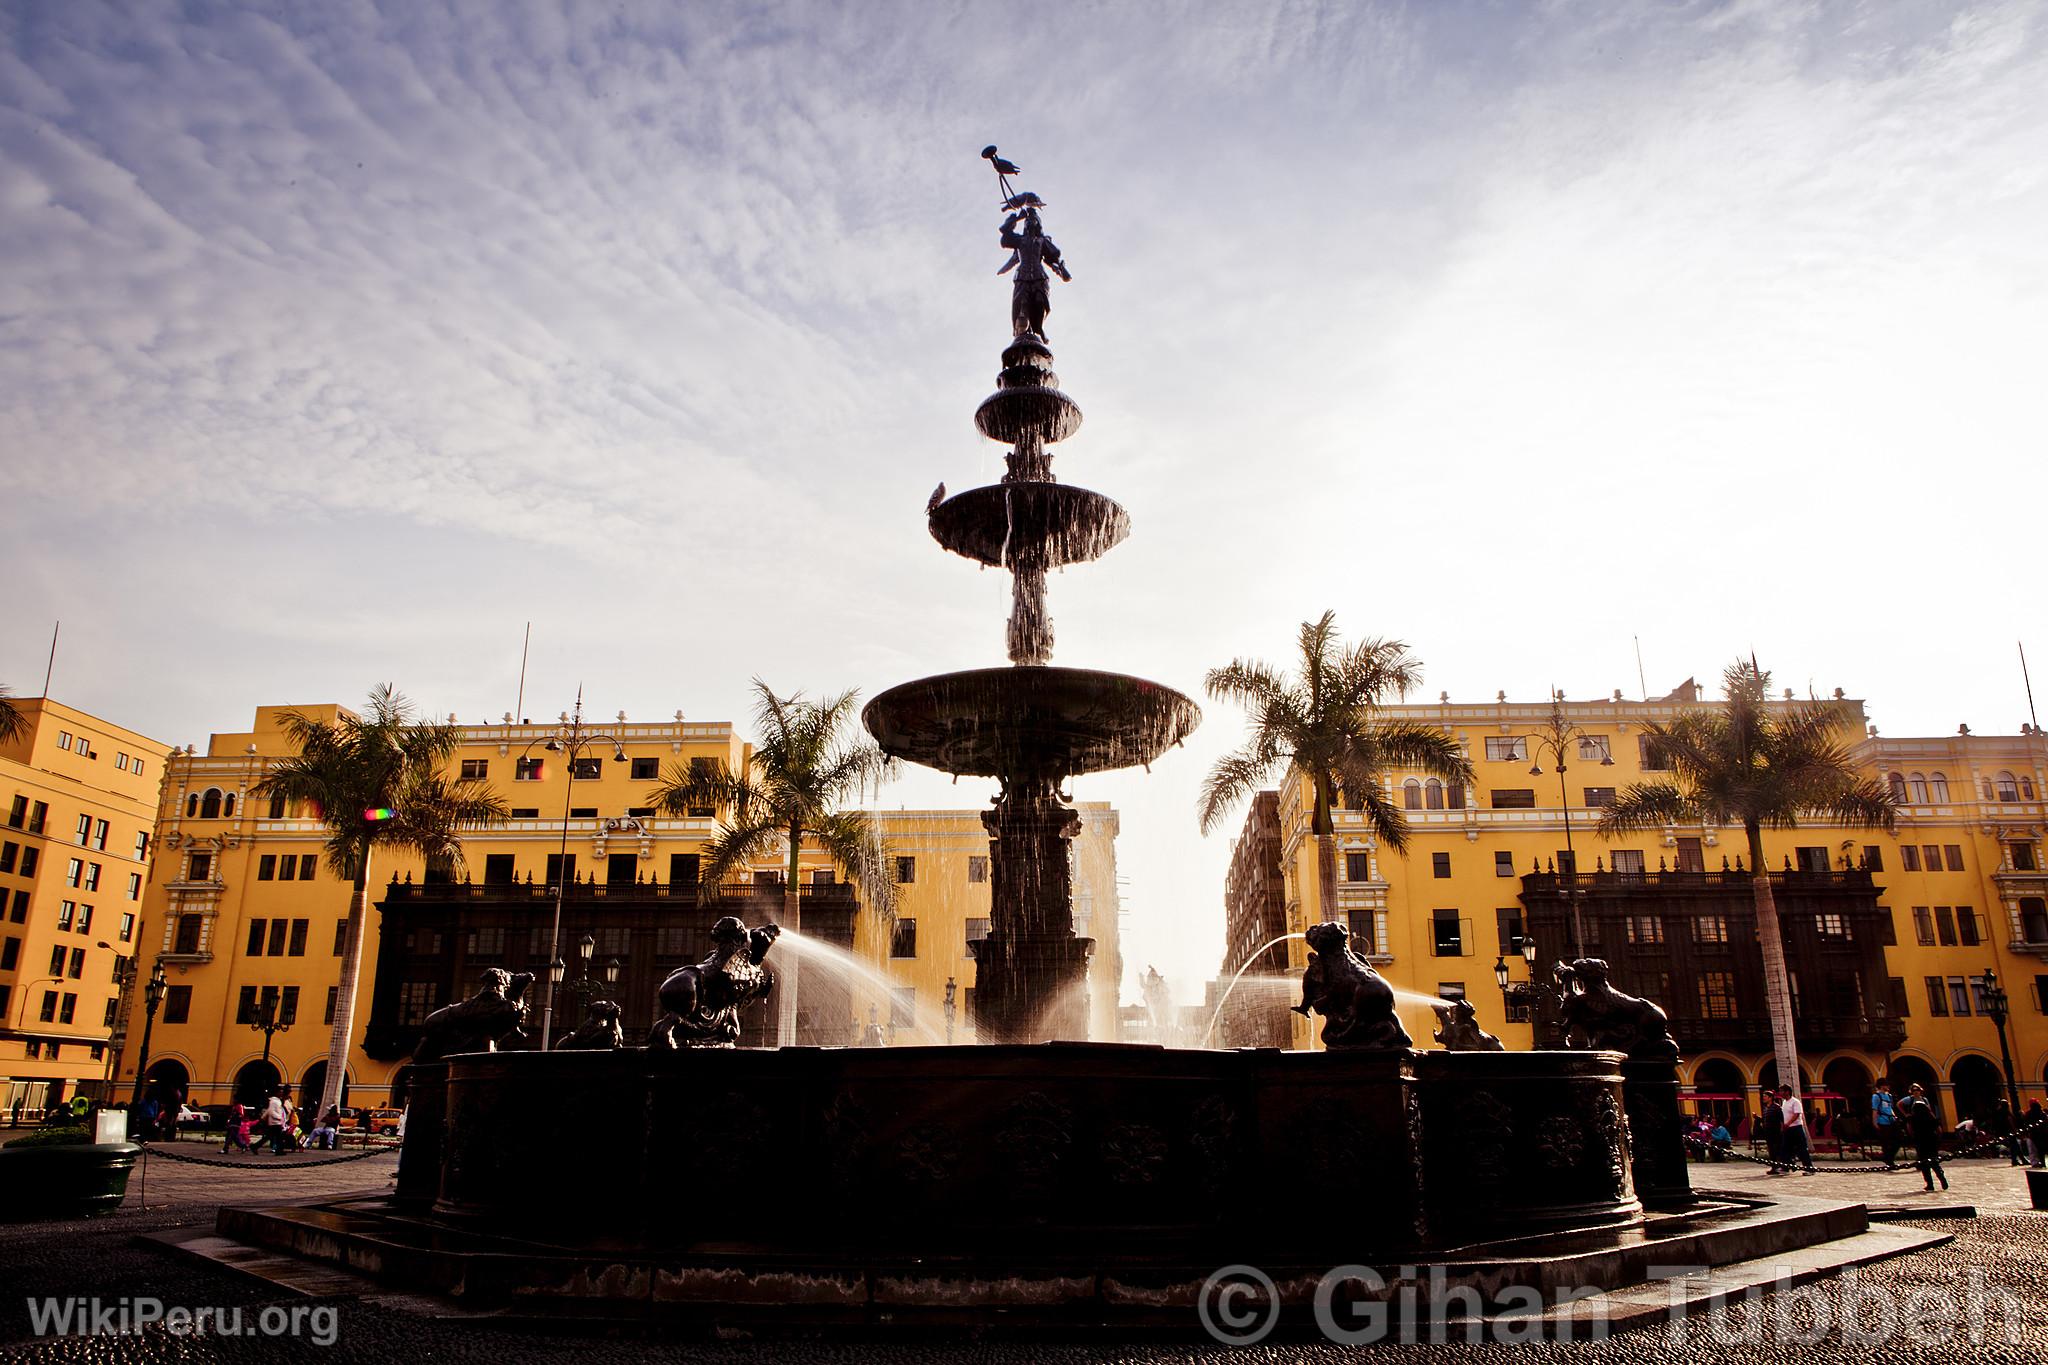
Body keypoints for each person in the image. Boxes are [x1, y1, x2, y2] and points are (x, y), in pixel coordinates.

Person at [1899, 1083, 1947, 1191]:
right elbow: (1938, 1128)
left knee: (1924, 1163)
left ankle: (1930, 1184)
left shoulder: (1914, 1118)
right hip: (1931, 1139)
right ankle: (1942, 1179)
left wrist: (1912, 1137)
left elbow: (1910, 1128)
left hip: (1921, 1141)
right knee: (1934, 1162)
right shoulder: (1930, 1117)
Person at [1776, 1086, 1816, 1174]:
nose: (1780, 1093)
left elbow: (1797, 1114)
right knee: (1785, 1148)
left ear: (1787, 1092)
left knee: (1802, 1149)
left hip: (1796, 1128)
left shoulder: (1795, 1102)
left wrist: (1789, 1123)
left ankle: (1809, 1168)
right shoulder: (1784, 1102)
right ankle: (1785, 1167)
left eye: (1782, 1091)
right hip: (1787, 1129)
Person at [1870, 1080, 1900, 1169]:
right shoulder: (1876, 1096)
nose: (1888, 1087)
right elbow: (1874, 1109)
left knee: (1898, 1140)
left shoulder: (1889, 1096)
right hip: (1882, 1121)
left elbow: (1890, 1108)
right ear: (1882, 1086)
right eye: (1886, 1085)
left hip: (1891, 1120)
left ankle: (1888, 1157)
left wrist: (1894, 1116)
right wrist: (1874, 1122)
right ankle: (1889, 1161)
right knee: (1886, 1142)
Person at [1758, 1092, 1785, 1174]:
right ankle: (1774, 1167)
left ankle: (1781, 1166)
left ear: (1770, 1098)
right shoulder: (1766, 1108)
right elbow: (1765, 1120)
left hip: (1776, 1132)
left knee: (1777, 1150)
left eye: (1765, 1096)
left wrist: (1782, 1130)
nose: (1763, 1098)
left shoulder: (1776, 1107)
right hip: (1768, 1132)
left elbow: (1782, 1119)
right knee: (1771, 1150)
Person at [263, 1088, 291, 1155]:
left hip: (277, 1122)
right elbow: (271, 1111)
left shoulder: (278, 1101)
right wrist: (279, 1118)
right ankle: (279, 1150)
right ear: (276, 1093)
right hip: (275, 1122)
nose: (281, 1093)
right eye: (280, 1092)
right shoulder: (274, 1101)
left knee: (273, 1136)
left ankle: (255, 1146)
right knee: (277, 1137)